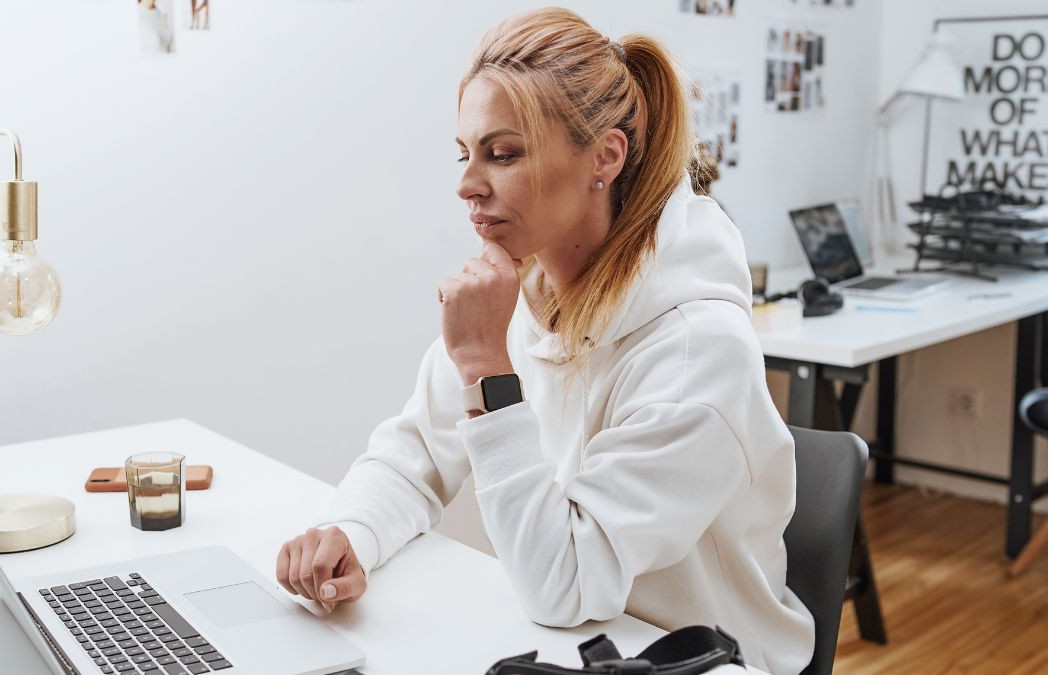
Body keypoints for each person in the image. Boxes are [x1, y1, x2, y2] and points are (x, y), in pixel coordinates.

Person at [275, 8, 815, 674]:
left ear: (604, 157)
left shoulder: (696, 348)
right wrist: (350, 533)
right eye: (465, 152)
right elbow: (413, 454)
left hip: (699, 659)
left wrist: (485, 366)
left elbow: (565, 584)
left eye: (503, 154)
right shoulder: (524, 293)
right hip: (584, 649)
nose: (467, 184)